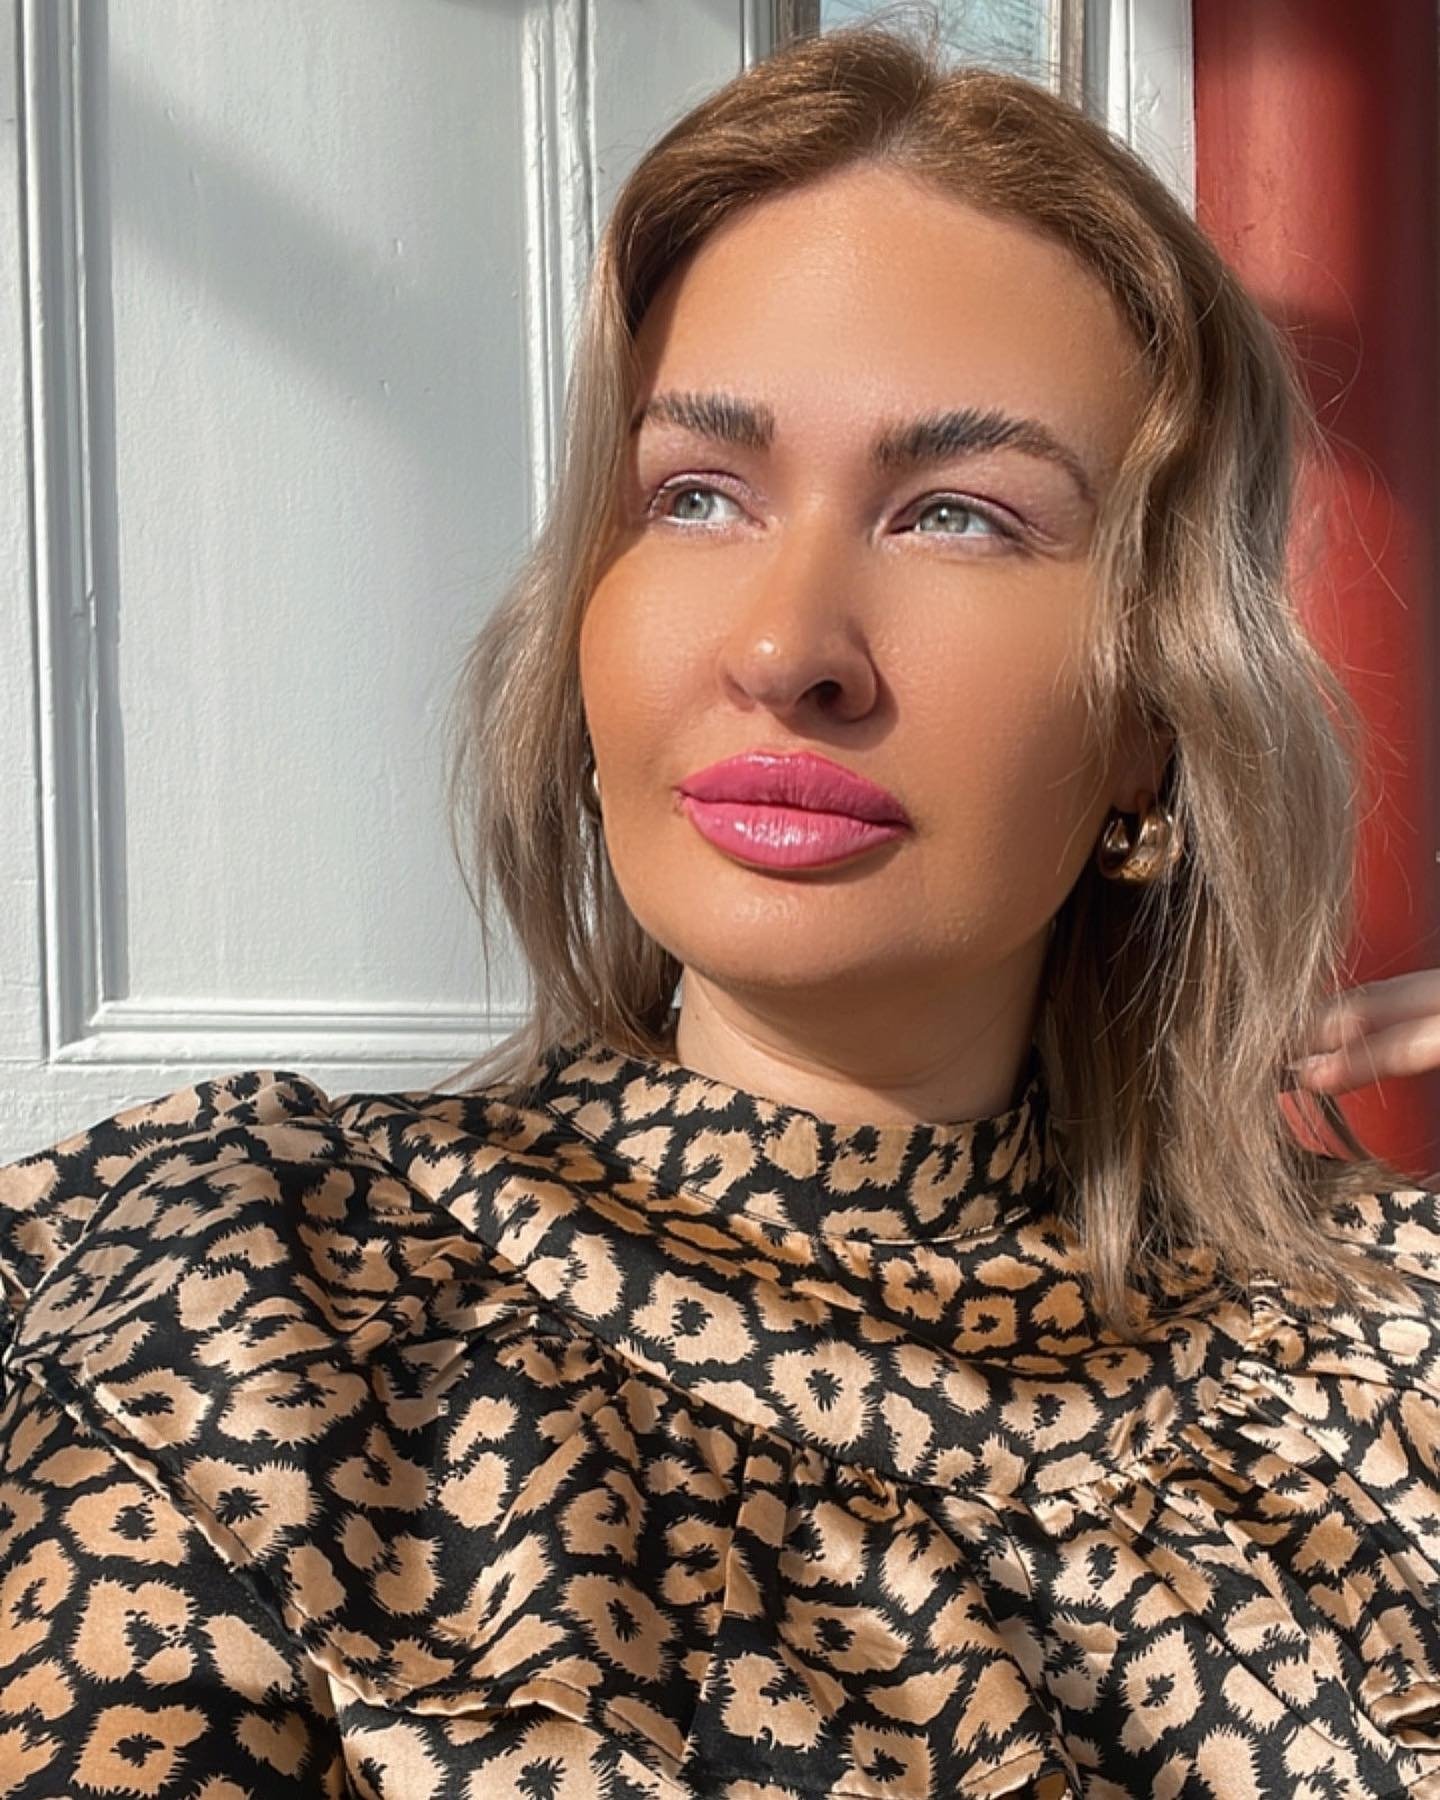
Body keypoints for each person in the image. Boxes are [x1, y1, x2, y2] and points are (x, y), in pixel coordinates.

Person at [1, 21, 1438, 1799]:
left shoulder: (1387, 1356)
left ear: (1159, 707)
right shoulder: (253, 1305)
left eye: (961, 517)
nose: (782, 646)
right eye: (696, 494)